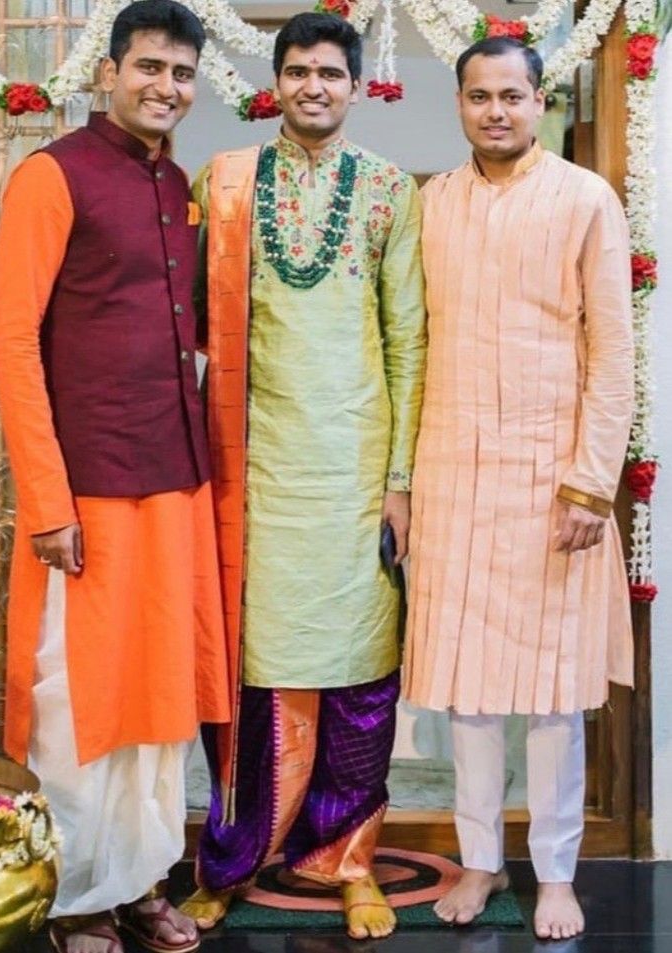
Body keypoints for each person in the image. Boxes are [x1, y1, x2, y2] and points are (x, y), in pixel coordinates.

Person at [0, 3, 231, 952]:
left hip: (173, 481)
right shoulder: (53, 175)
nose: (165, 86)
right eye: (149, 67)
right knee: (80, 695)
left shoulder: (174, 185)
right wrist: (46, 502)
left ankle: (140, 880)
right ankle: (77, 893)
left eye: (180, 72)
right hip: (85, 492)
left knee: (159, 693)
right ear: (109, 73)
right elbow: (10, 342)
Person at [179, 12, 427, 942]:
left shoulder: (390, 190)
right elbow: (188, 328)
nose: (313, 86)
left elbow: (409, 338)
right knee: (253, 676)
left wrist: (399, 479)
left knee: (362, 673)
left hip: (358, 470)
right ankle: (232, 860)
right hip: (256, 472)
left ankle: (348, 859)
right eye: (296, 71)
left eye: (329, 72)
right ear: (274, 82)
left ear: (356, 85)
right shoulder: (227, 183)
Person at [403, 37, 634, 942]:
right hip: (453, 471)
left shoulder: (584, 199)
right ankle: (478, 859)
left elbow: (611, 353)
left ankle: (556, 873)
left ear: (537, 102)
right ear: (458, 104)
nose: (494, 110)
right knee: (465, 692)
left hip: (551, 480)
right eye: (477, 96)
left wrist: (588, 483)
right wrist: (406, 485)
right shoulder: (434, 204)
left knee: (548, 696)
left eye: (511, 95)